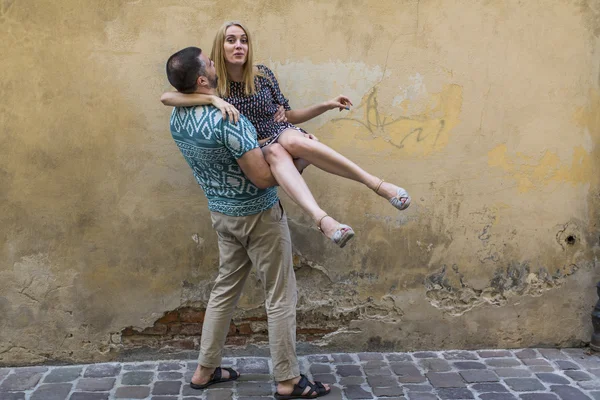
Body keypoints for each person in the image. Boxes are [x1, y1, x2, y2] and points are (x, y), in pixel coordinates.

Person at [165, 46, 331, 399]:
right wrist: (302, 159)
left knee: (223, 292)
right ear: (202, 79)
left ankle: (204, 371)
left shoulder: (178, 118)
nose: (216, 62)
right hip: (258, 217)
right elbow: (264, 179)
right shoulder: (230, 119)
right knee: (280, 295)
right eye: (210, 63)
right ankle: (288, 379)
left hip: (222, 215)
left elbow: (175, 100)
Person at [161, 21, 411, 248]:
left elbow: (289, 116)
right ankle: (322, 220)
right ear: (219, 47)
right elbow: (167, 97)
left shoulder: (263, 75)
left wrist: (326, 104)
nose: (239, 45)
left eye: (244, 40)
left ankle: (377, 185)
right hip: (260, 148)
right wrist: (214, 101)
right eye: (231, 40)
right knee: (278, 150)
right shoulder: (215, 86)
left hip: (280, 134)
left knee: (291, 139)